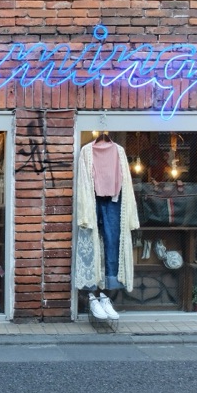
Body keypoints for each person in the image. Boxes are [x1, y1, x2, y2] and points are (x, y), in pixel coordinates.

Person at [74, 133, 140, 321]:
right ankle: (92, 291)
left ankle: (107, 289)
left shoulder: (119, 151)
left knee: (113, 241)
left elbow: (126, 180)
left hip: (115, 200)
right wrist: (84, 213)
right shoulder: (87, 151)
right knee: (92, 243)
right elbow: (83, 182)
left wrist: (131, 217)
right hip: (92, 198)